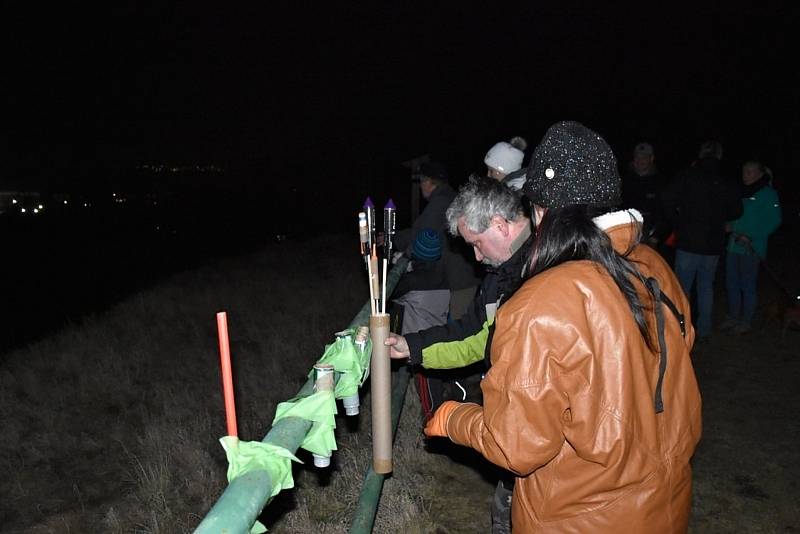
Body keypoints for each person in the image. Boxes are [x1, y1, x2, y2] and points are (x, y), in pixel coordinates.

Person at [423, 121, 702, 533]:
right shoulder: (654, 267)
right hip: (664, 506)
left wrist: (452, 418)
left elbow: (515, 444)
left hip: (578, 517)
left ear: (540, 210)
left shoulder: (538, 303)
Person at [386, 176, 534, 534]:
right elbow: (474, 335)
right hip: (520, 427)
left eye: (478, 244)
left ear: (500, 225)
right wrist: (411, 346)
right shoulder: (502, 275)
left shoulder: (541, 272)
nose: (477, 257)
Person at [662, 140, 742, 342]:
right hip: (712, 244)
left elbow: (667, 199)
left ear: (701, 153)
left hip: (688, 241)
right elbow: (737, 209)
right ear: (719, 155)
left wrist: (678, 221)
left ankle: (682, 329)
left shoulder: (687, 175)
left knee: (683, 287)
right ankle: (704, 329)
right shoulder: (725, 180)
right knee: (706, 286)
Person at [393, 160, 481, 321]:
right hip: (461, 275)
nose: (420, 186)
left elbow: (421, 233)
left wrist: (398, 246)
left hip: (460, 279)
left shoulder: (440, 201)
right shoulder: (448, 197)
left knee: (458, 328)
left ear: (428, 182)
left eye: (421, 182)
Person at [721, 160, 782, 334]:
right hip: (733, 245)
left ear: (760, 174)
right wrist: (729, 225)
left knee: (746, 284)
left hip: (751, 247)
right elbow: (736, 214)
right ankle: (733, 317)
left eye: (749, 171)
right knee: (731, 283)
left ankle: (746, 321)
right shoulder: (742, 192)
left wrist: (752, 237)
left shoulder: (769, 194)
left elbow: (774, 220)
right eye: (744, 171)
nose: (745, 175)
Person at [621, 141, 670, 248]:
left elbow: (666, 212)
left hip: (650, 236)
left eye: (644, 157)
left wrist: (656, 237)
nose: (640, 161)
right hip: (626, 234)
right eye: (637, 157)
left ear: (651, 158)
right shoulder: (624, 181)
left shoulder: (660, 183)